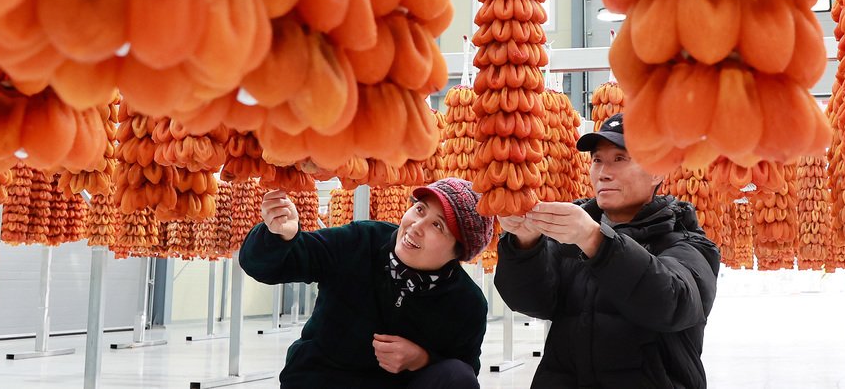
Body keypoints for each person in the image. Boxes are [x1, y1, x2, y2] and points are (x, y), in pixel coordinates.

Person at [495, 113, 721, 389]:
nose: (604, 172)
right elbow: (532, 302)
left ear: (657, 171)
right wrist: (525, 244)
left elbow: (672, 304)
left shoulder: (685, 241)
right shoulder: (571, 234)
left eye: (619, 159)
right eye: (597, 160)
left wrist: (596, 241)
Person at [239, 178, 495, 388]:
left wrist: (422, 359)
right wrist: (279, 235)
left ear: (458, 253)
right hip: (321, 379)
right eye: (419, 209)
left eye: (437, 226)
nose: (416, 227)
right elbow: (267, 266)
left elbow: (465, 373)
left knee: (457, 376)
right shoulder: (361, 240)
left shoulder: (466, 303)